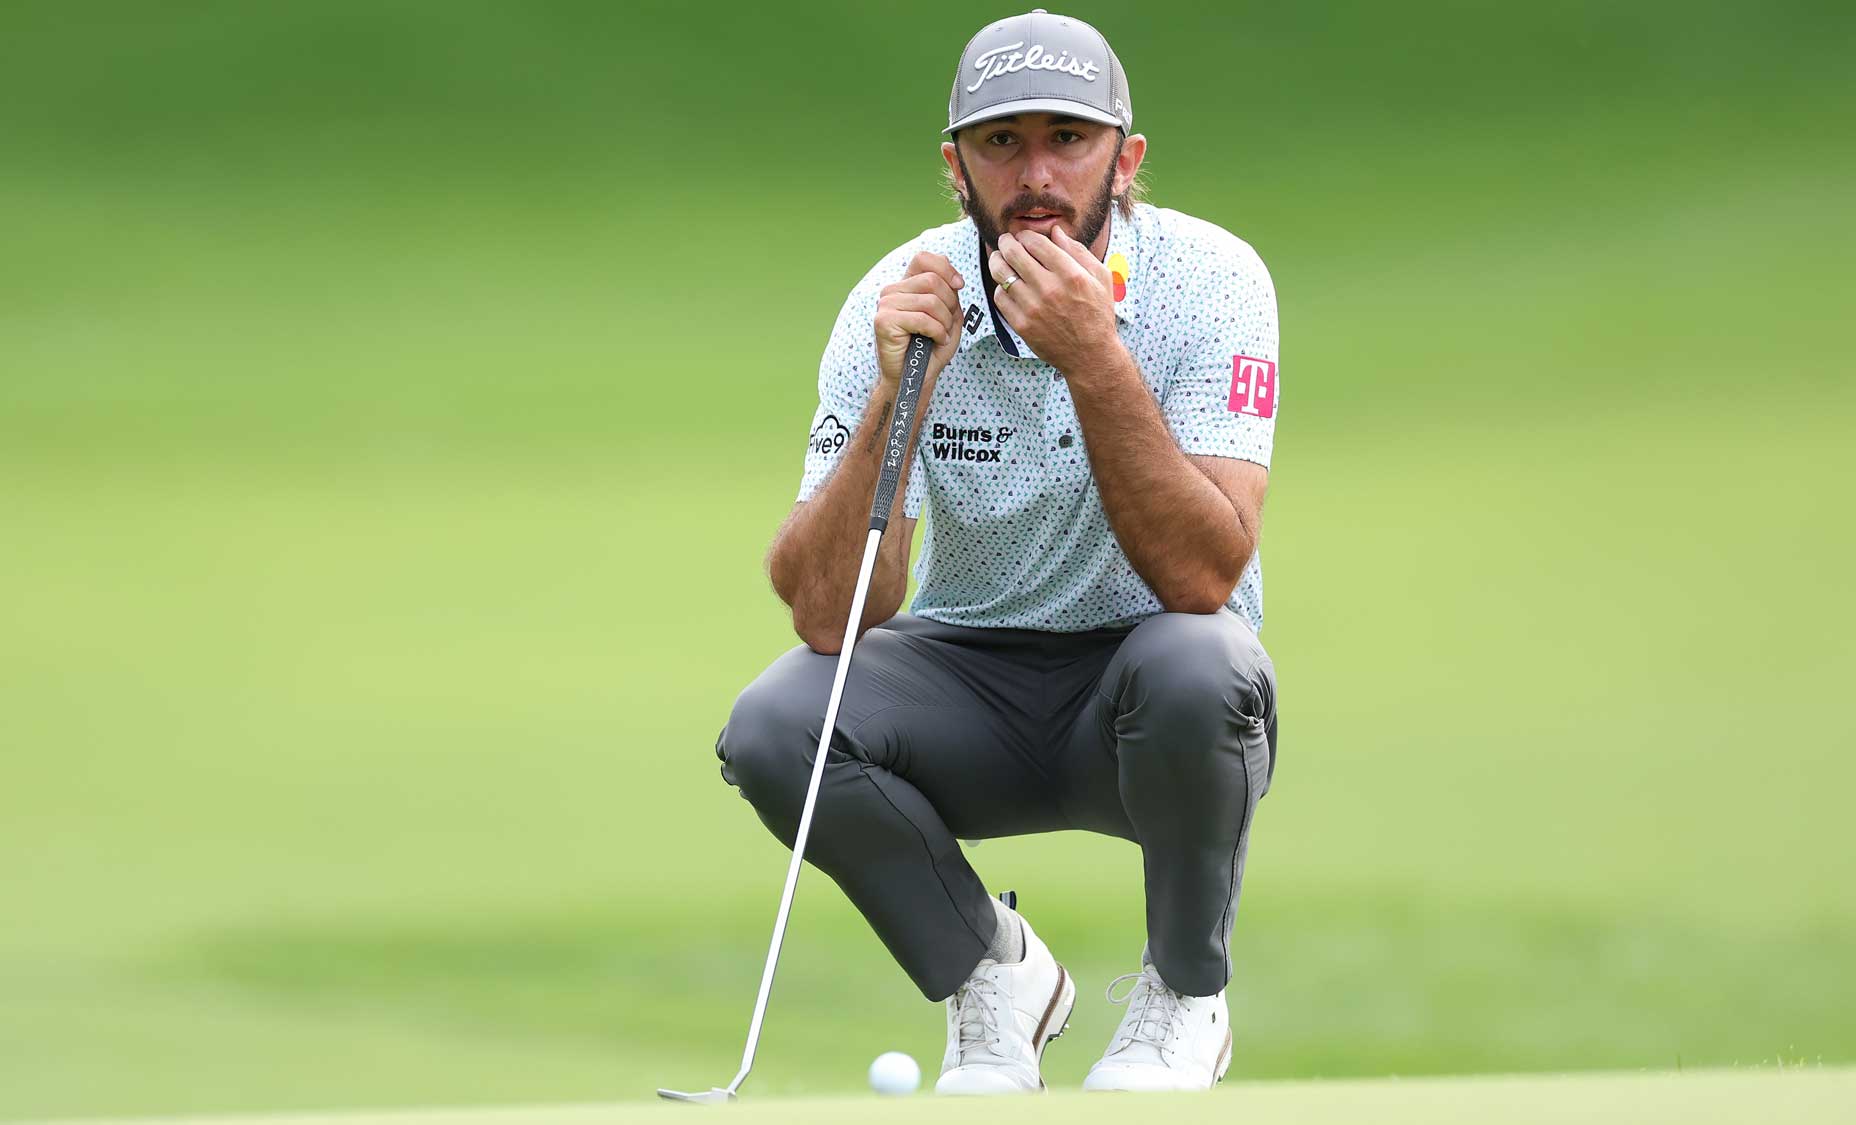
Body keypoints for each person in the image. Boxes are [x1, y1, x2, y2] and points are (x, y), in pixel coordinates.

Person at [715, 8, 1280, 1095]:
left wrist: (1092, 357)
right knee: (778, 724)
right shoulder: (901, 297)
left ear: (1126, 159)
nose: (1035, 174)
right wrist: (895, 396)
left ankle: (1182, 995)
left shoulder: (1212, 282)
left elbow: (1203, 578)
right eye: (1000, 143)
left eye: (1067, 139)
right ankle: (993, 979)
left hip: (1149, 705)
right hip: (966, 680)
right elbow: (831, 617)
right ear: (954, 166)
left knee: (1196, 663)